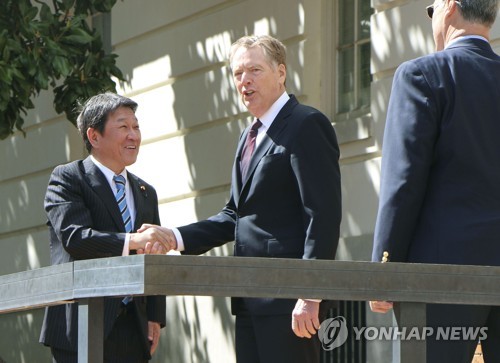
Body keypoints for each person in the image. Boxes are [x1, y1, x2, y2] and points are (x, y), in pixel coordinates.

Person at [141, 35, 341, 363]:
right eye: (237, 74)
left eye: (254, 70)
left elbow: (322, 214)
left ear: (280, 73)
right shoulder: (248, 135)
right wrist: (174, 237)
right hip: (248, 299)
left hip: (290, 302)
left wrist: (311, 292)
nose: (244, 81)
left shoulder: (306, 124)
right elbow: (236, 215)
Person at [370, 0, 500, 362]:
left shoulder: (421, 74)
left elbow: (402, 183)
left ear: (449, 8)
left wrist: (384, 267)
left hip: (441, 275)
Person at [39, 92, 170, 363]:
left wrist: (155, 316)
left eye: (136, 126)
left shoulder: (146, 192)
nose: (133, 135)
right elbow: (75, 238)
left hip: (133, 327)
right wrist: (133, 240)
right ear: (94, 136)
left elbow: (154, 256)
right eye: (123, 127)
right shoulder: (69, 178)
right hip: (80, 324)